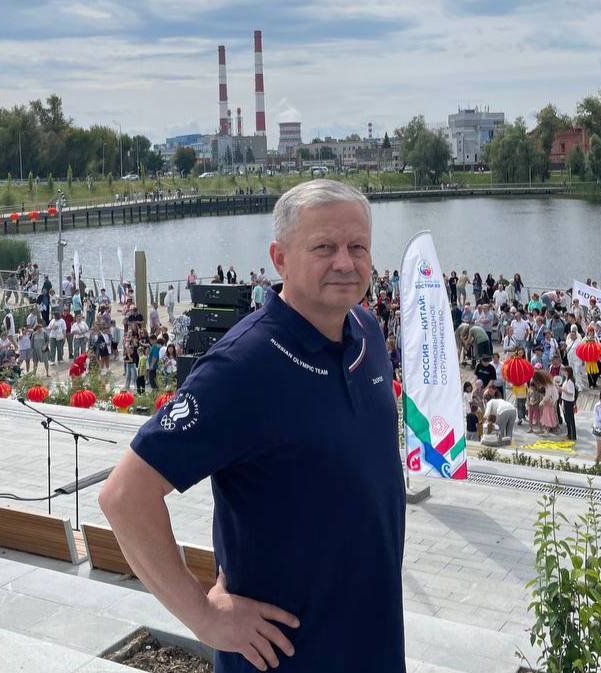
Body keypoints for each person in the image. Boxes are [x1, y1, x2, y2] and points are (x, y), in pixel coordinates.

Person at [100, 180, 407, 673]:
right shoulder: (243, 365)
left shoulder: (366, 331)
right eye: (324, 247)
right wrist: (203, 617)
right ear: (279, 258)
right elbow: (124, 496)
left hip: (375, 646)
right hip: (286, 658)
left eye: (358, 247)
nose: (345, 262)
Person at [559, 366, 577, 441]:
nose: (563, 372)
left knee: (570, 419)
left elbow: (571, 392)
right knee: (567, 419)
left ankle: (572, 435)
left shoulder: (570, 381)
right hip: (565, 400)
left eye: (565, 371)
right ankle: (569, 434)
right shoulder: (566, 380)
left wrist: (562, 389)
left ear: (568, 372)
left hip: (569, 402)